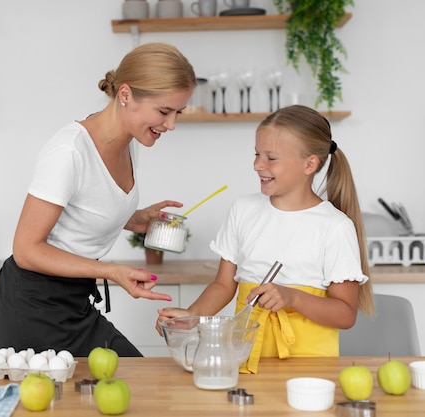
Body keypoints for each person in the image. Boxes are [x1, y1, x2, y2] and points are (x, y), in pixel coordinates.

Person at [0, 43, 197, 357]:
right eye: (164, 111)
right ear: (125, 95)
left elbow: (87, 205)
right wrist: (111, 271)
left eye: (178, 112)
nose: (171, 124)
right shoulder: (69, 151)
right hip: (30, 307)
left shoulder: (129, 142)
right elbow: (26, 250)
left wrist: (136, 218)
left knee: (132, 388)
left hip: (74, 303)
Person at [156, 105, 375, 372]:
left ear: (310, 164)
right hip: (246, 361)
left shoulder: (335, 227)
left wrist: (293, 298)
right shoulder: (243, 210)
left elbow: (345, 313)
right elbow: (224, 285)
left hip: (311, 370)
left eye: (271, 157)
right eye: (257, 154)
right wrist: (193, 315)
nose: (258, 165)